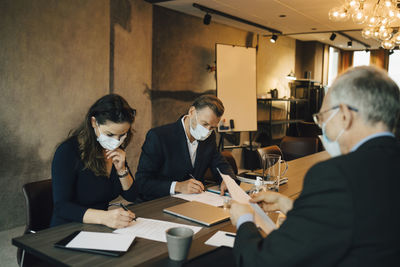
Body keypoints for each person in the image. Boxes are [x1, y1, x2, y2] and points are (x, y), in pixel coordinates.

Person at [230, 66, 400, 266]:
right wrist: (291, 206)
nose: (322, 126)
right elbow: (365, 218)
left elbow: (264, 261)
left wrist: (244, 221)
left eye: (322, 117)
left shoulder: (335, 175)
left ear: (345, 115)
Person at [51, 94, 138, 228]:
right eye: (110, 134)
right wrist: (105, 217)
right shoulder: (68, 151)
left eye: (122, 135)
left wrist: (122, 170)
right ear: (94, 122)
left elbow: (132, 196)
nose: (116, 141)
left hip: (99, 227)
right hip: (67, 228)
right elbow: (61, 207)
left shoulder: (114, 151)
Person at [135, 95, 235, 201]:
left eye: (212, 127)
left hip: (196, 202)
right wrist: (177, 186)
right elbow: (142, 182)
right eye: (204, 124)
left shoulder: (210, 137)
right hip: (159, 202)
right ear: (192, 112)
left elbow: (220, 164)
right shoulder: (158, 137)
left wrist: (228, 180)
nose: (207, 131)